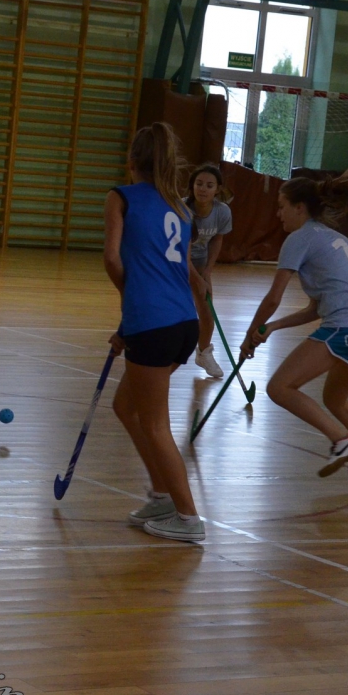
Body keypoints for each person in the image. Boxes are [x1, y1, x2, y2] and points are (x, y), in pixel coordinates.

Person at [239, 172, 348, 487]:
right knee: (336, 400)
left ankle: (342, 440)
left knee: (280, 388)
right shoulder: (333, 238)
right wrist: (271, 327)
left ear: (300, 208)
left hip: (345, 326)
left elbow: (273, 297)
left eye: (282, 206)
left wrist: (250, 334)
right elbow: (315, 309)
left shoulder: (299, 238)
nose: (278, 214)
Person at [105, 122, 205, 544]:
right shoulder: (180, 208)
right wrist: (129, 322)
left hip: (153, 322)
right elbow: (175, 271)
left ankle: (188, 517)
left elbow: (113, 259)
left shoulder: (121, 197)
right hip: (183, 323)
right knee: (125, 408)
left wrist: (132, 310)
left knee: (155, 424)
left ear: (132, 161)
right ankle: (162, 496)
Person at [187, 162, 233, 379]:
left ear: (218, 189)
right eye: (199, 184)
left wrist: (207, 271)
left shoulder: (222, 212)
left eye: (209, 185)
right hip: (174, 263)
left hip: (200, 263)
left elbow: (217, 239)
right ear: (192, 186)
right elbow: (181, 252)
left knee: (207, 313)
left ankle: (204, 354)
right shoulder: (182, 210)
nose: (203, 189)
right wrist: (198, 279)